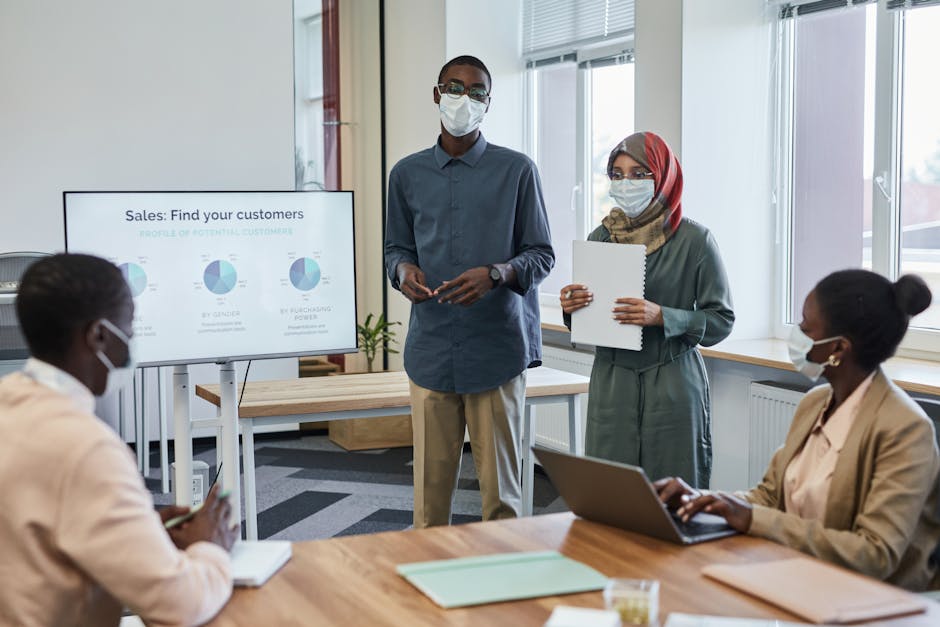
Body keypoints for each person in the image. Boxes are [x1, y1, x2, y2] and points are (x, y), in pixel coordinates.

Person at [656, 270, 940, 591]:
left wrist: (751, 519)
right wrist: (702, 500)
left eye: (806, 328)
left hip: (873, 601)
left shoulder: (906, 430)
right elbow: (768, 496)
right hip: (798, 577)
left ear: (839, 349)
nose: (797, 335)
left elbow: (874, 554)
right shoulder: (816, 402)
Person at [0, 253, 238, 626]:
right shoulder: (86, 448)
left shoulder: (9, 402)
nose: (131, 344)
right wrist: (212, 546)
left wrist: (139, 533)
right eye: (129, 329)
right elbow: (179, 606)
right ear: (98, 335)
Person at [385, 55, 554, 528]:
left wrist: (496, 274)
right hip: (433, 349)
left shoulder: (517, 171)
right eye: (454, 87)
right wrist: (403, 272)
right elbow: (394, 248)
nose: (464, 98)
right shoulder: (406, 174)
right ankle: (428, 592)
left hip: (495, 351)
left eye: (476, 91)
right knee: (429, 500)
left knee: (502, 498)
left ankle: (506, 591)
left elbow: (541, 255)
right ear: (437, 94)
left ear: (488, 103)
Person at [560, 131, 734, 488]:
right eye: (618, 174)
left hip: (670, 380)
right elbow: (592, 317)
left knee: (674, 492)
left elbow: (721, 320)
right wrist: (571, 307)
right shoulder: (601, 238)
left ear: (664, 175)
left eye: (639, 173)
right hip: (612, 380)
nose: (627, 183)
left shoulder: (695, 240)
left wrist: (664, 316)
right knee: (610, 491)